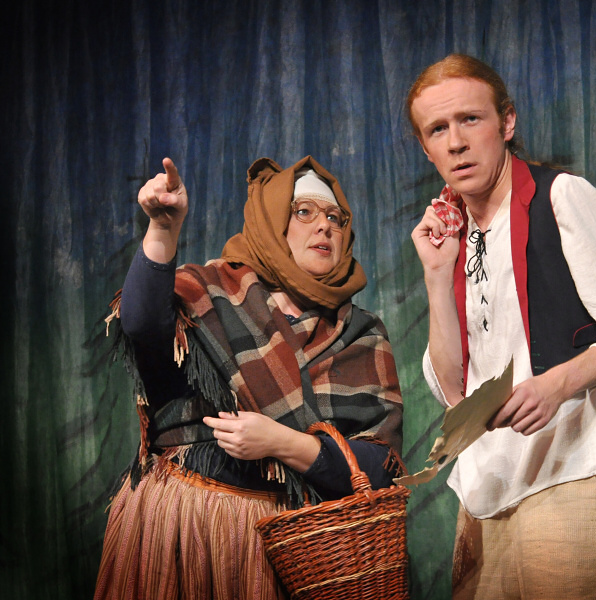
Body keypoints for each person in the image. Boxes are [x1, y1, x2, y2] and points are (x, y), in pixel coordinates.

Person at [408, 54, 596, 599]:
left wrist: (558, 383)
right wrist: (438, 276)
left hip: (574, 469)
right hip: (487, 490)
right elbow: (452, 390)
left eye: (470, 119)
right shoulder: (452, 235)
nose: (456, 142)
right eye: (438, 129)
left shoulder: (561, 197)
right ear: (425, 147)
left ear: (507, 122)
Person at [95, 155, 404, 600]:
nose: (325, 226)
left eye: (336, 218)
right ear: (271, 222)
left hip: (287, 549)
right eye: (304, 212)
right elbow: (141, 324)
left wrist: (283, 443)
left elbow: (379, 470)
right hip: (182, 527)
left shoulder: (359, 333)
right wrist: (163, 229)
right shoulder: (207, 294)